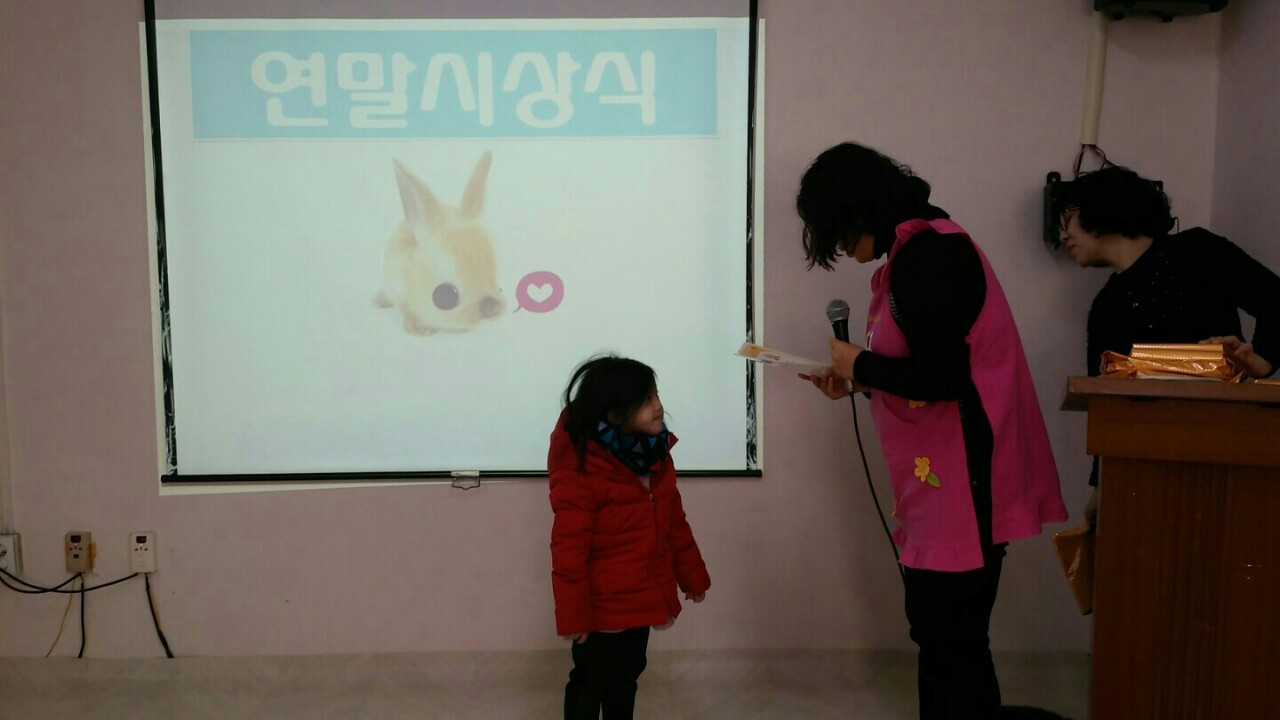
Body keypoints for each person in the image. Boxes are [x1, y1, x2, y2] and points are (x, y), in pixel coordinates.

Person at [796, 142, 1068, 720]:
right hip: (943, 483)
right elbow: (925, 368)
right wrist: (858, 381)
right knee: (945, 638)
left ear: (856, 209)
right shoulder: (916, 250)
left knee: (950, 641)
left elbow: (945, 377)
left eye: (836, 232)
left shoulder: (930, 255)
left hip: (966, 481)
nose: (839, 248)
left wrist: (862, 366)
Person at [1056, 165, 1280, 522]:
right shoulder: (1105, 306)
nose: (1062, 234)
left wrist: (1263, 362)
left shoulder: (1198, 250)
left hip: (1223, 455)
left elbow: (1275, 300)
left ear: (1102, 206)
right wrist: (1101, 486)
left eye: (1067, 217)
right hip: (1139, 470)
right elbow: (1107, 405)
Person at [548, 355, 710, 720]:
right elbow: (569, 549)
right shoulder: (582, 466)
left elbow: (675, 524)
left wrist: (692, 577)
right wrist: (574, 615)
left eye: (656, 395)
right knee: (589, 681)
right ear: (615, 413)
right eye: (646, 400)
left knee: (627, 678)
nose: (658, 406)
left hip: (642, 599)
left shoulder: (656, 457)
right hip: (599, 609)